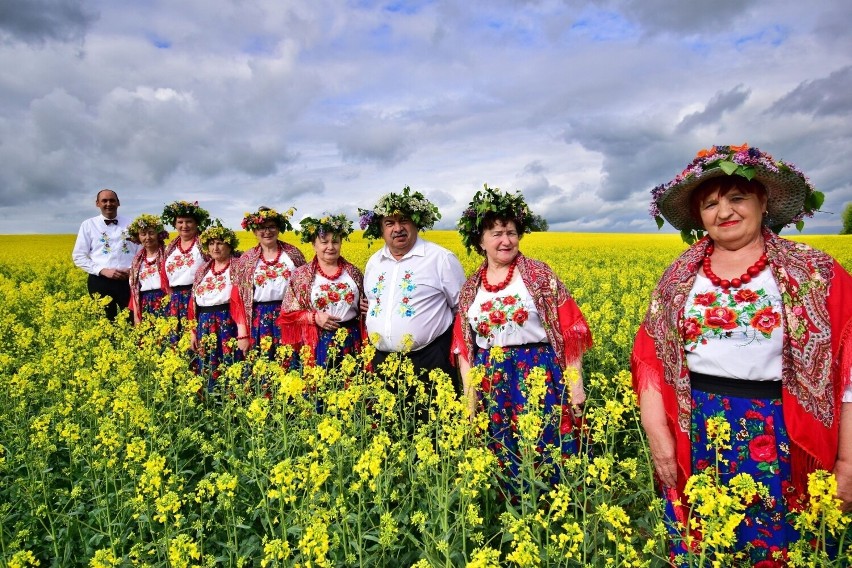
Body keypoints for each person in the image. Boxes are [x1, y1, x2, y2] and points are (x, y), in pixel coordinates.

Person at [632, 144, 852, 563]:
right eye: (711, 203)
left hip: (780, 436)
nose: (724, 212)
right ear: (699, 216)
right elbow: (651, 362)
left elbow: (848, 373)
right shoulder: (678, 279)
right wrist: (659, 439)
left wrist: (849, 461)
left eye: (737, 197)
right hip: (696, 433)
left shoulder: (815, 273)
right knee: (702, 547)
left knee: (779, 548)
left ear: (763, 201)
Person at [452, 185, 592, 484]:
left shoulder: (540, 275)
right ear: (480, 241)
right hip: (492, 379)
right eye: (497, 234)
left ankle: (555, 510)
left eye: (512, 232)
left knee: (547, 447)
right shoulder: (469, 290)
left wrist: (576, 386)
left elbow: (571, 333)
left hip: (538, 373)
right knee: (502, 452)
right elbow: (465, 349)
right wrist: (470, 399)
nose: (506, 240)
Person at [358, 186, 466, 402]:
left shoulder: (440, 258)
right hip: (383, 362)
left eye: (404, 220)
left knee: (433, 428)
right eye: (390, 223)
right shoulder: (374, 262)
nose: (398, 228)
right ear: (381, 229)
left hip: (430, 360)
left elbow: (461, 307)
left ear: (416, 223)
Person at [278, 213, 365, 367]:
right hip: (316, 342)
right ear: (314, 244)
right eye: (324, 242)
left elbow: (365, 307)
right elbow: (287, 314)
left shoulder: (354, 273)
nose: (330, 247)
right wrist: (314, 318)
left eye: (335, 242)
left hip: (351, 341)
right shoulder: (301, 276)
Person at [231, 206, 305, 359]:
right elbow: (238, 299)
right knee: (263, 366)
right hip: (259, 318)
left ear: (278, 228)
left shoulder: (293, 254)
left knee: (291, 363)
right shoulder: (246, 259)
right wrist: (242, 334)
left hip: (291, 316)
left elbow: (307, 287)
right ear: (254, 231)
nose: (267, 231)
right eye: (261, 228)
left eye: (271, 226)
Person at [188, 221, 243, 392]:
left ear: (229, 245)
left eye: (220, 243)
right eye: (211, 243)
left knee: (230, 361)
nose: (215, 247)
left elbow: (243, 300)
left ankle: (232, 403)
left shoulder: (238, 266)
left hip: (228, 321)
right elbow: (193, 304)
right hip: (204, 321)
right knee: (207, 362)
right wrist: (192, 331)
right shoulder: (203, 270)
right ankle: (210, 400)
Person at [72, 189, 139, 320]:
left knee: (133, 321)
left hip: (128, 280)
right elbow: (78, 256)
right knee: (105, 324)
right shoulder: (88, 225)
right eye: (104, 201)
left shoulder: (132, 224)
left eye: (112, 200)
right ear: (97, 204)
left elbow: (141, 251)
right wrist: (103, 271)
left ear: (118, 203)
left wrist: (132, 270)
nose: (109, 204)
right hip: (100, 281)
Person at [161, 200, 210, 332]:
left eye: (189, 221)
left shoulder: (205, 246)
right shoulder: (169, 249)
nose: (184, 226)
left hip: (197, 299)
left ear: (196, 223)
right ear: (174, 224)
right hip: (175, 300)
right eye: (180, 222)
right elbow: (165, 278)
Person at [127, 214, 171, 324]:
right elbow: (134, 290)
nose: (147, 237)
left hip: (166, 300)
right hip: (145, 303)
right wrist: (136, 317)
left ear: (158, 234)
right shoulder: (137, 261)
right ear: (138, 237)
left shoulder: (168, 254)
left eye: (151, 233)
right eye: (143, 234)